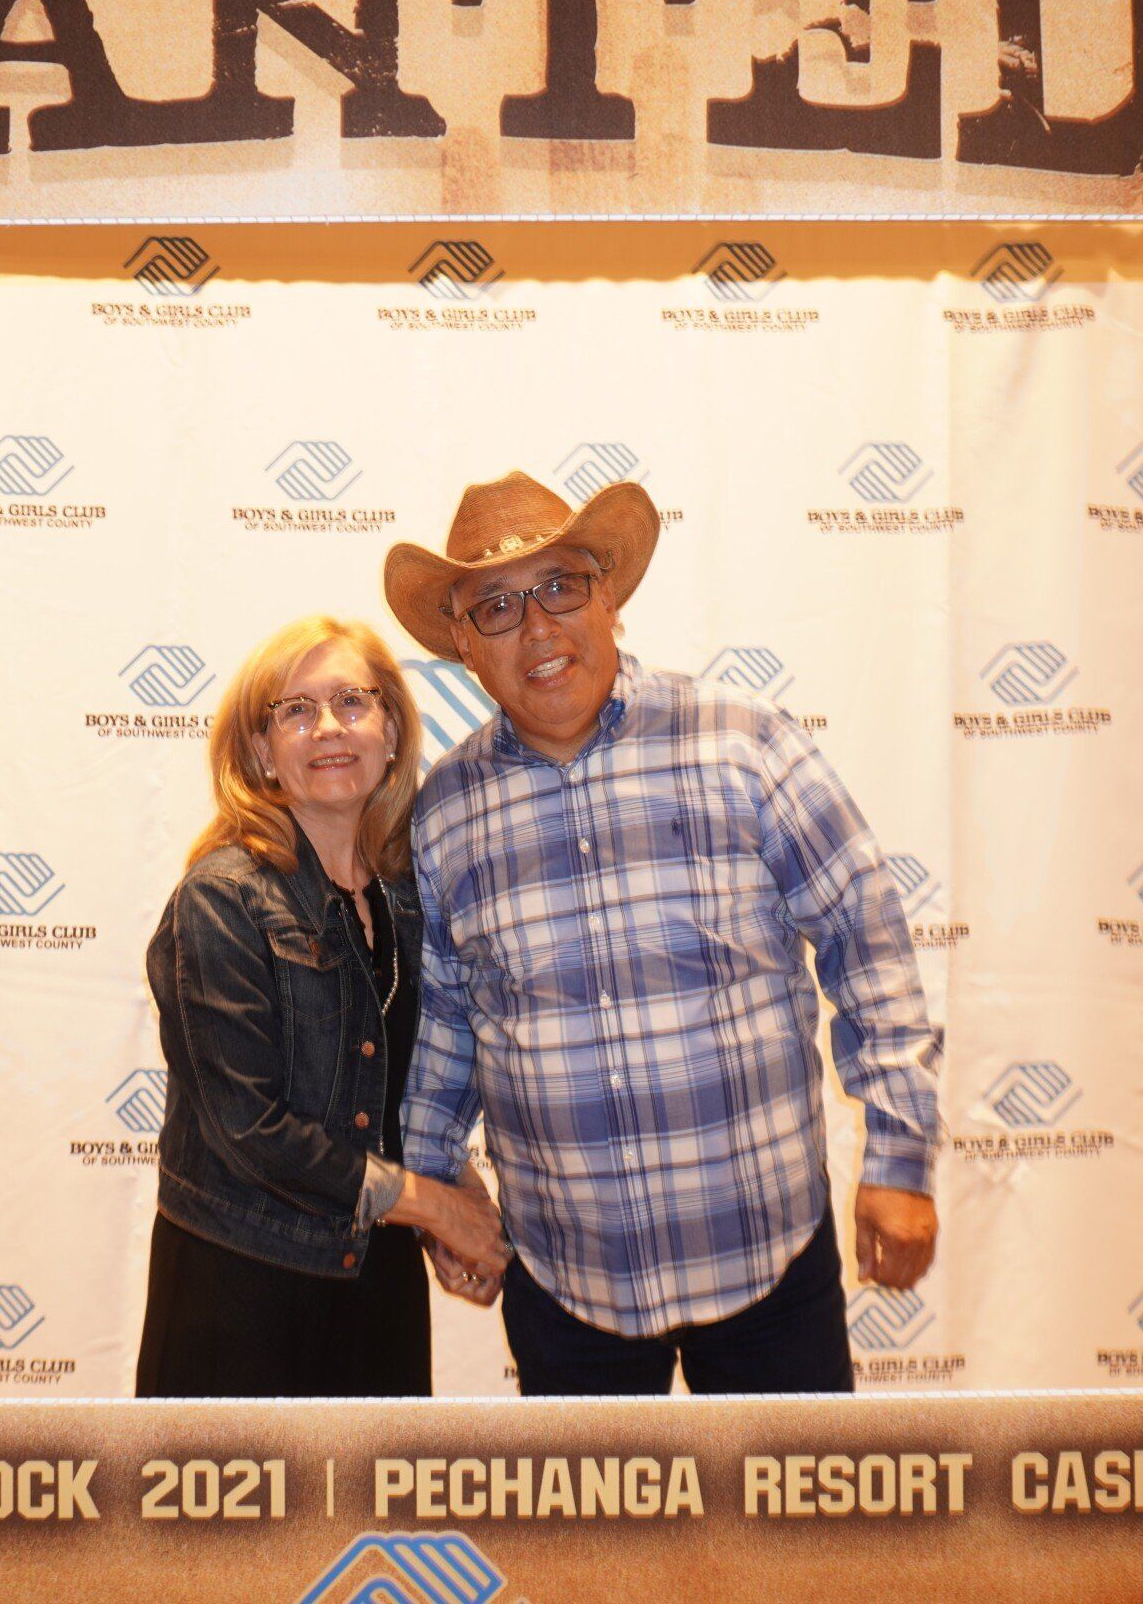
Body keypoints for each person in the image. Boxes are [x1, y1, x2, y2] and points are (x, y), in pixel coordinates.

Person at [383, 472, 943, 1396]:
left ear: (609, 596)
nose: (537, 627)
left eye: (560, 587)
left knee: (792, 1503)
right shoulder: (445, 811)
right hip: (566, 1285)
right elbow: (447, 1022)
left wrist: (901, 1157)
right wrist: (439, 1184)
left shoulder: (743, 742)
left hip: (768, 1260)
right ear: (464, 645)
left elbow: (867, 939)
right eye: (497, 607)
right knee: (582, 1508)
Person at [135, 614, 511, 1398]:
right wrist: (433, 1208)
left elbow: (406, 1096)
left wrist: (457, 1196)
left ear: (391, 732)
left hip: (377, 1286)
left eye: (351, 701)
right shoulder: (222, 900)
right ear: (260, 751)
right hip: (241, 1294)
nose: (329, 727)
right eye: (296, 711)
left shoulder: (408, 900)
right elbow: (250, 1131)